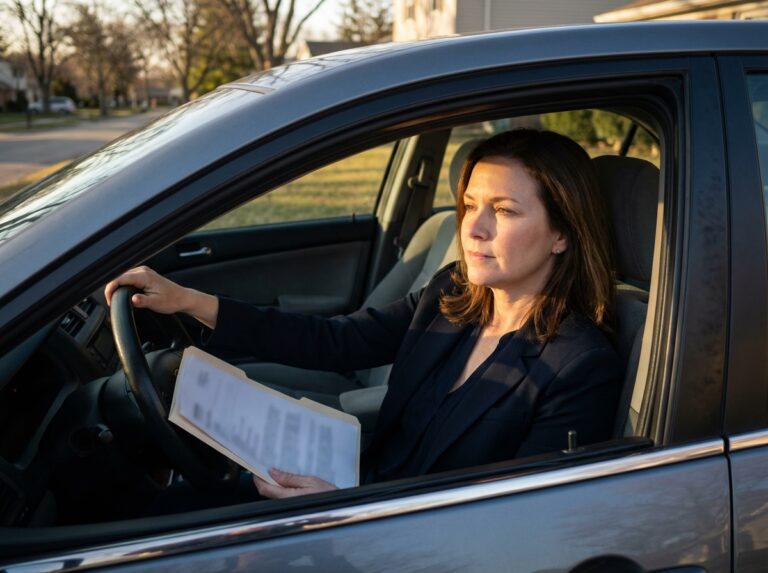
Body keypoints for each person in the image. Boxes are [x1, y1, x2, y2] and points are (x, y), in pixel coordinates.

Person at [105, 129, 621, 501]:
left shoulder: (579, 366)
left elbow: (510, 523)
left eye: (504, 211)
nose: (474, 228)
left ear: (562, 234)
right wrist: (190, 301)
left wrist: (337, 507)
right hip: (350, 485)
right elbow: (338, 343)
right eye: (469, 205)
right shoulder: (452, 293)